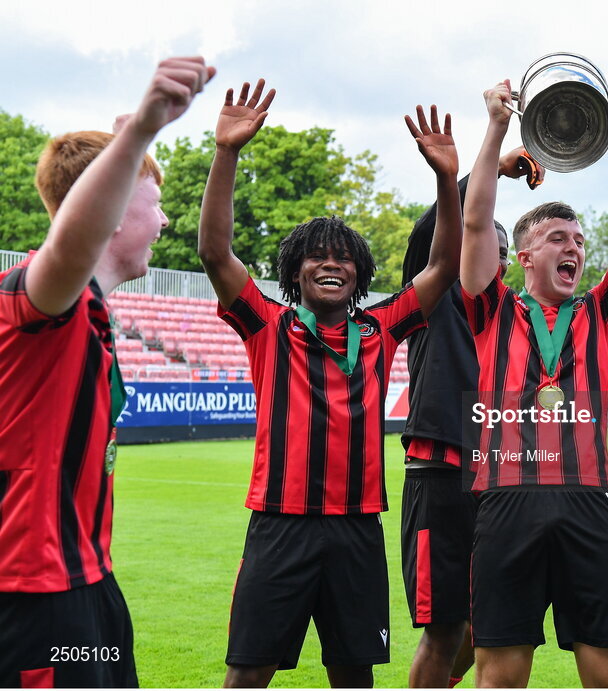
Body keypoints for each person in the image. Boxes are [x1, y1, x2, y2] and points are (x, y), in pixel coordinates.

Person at [197, 81, 462, 688]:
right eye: (316, 256)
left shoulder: (381, 329)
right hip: (280, 524)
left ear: (359, 273)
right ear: (295, 272)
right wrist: (227, 152)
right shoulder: (268, 325)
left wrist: (448, 179)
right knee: (248, 672)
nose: (331, 263)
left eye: (343, 258)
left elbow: (444, 267)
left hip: (356, 528)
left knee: (353, 674)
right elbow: (215, 252)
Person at [0, 57, 214, 687]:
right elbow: (69, 250)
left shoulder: (88, 310)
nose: (167, 221)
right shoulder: (36, 294)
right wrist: (141, 132)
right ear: (115, 208)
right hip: (35, 593)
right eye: (157, 203)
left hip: (88, 580)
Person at [459, 79, 608, 688]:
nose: (573, 248)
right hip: (505, 499)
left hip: (587, 500)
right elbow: (473, 221)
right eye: (556, 239)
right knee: (500, 674)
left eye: (578, 241)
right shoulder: (492, 309)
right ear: (522, 256)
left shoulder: (602, 311)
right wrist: (496, 125)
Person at [399, 150, 540, 688]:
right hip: (440, 476)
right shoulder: (434, 295)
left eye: (502, 252)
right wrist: (489, 171)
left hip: (501, 484)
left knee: (495, 624)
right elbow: (432, 228)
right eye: (480, 242)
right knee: (443, 629)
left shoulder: (519, 317)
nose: (490, 256)